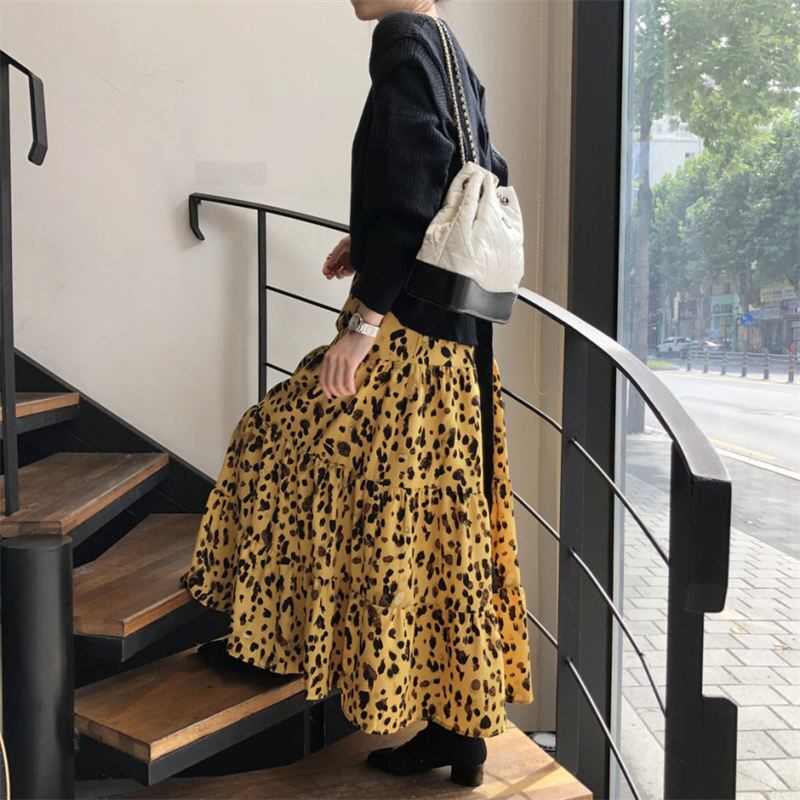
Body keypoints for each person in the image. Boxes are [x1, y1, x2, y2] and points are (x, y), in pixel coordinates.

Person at [181, 0, 533, 787]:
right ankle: (459, 731)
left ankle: (267, 637)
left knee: (273, 442)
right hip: (456, 349)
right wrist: (369, 243)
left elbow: (412, 198)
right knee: (440, 526)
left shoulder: (403, 39)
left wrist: (362, 325)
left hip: (407, 341)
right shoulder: (450, 49)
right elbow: (473, 175)